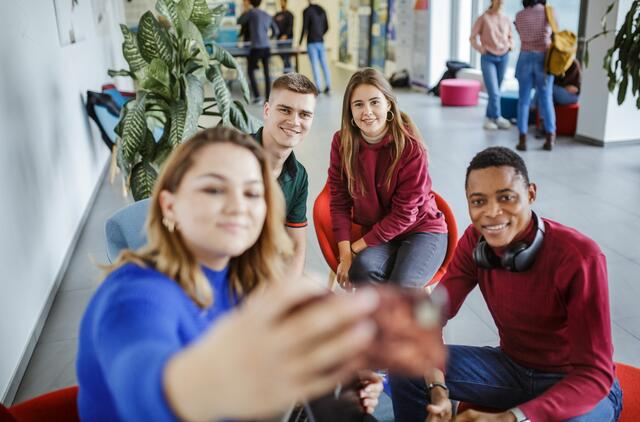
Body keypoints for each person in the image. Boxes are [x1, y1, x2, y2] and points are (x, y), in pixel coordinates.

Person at [76, 127, 385, 421]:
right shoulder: (133, 294)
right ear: (169, 206)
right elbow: (141, 383)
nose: (238, 206)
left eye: (252, 193)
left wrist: (340, 375)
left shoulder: (250, 277)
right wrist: (219, 378)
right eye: (214, 189)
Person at [390, 147, 623, 422]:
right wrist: (437, 387)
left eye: (506, 197)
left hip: (575, 383)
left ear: (531, 194)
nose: (492, 212)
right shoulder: (474, 242)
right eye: (479, 201)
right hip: (511, 369)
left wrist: (512, 417)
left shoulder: (580, 256)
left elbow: (595, 374)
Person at [328, 68, 448, 290]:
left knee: (400, 288)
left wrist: (354, 248)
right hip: (379, 233)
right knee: (361, 271)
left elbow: (404, 215)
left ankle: (391, 312)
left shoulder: (411, 148)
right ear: (350, 110)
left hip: (421, 230)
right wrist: (345, 255)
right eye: (358, 104)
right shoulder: (342, 143)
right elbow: (339, 202)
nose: (367, 112)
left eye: (375, 102)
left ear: (389, 104)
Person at [253, 73, 317, 277]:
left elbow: (296, 246)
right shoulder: (235, 156)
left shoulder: (299, 175)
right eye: (285, 110)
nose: (294, 121)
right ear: (267, 110)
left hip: (265, 268)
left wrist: (290, 289)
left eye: (304, 114)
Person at [514, 0, 556, 151]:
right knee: (546, 99)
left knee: (523, 100)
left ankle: (522, 139)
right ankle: (550, 138)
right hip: (543, 58)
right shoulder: (548, 11)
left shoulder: (519, 15)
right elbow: (554, 32)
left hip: (524, 56)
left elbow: (520, 33)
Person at [470, 0, 513, 131]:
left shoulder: (506, 18)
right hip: (488, 57)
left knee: (496, 90)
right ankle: (497, 117)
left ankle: (489, 118)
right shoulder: (483, 18)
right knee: (493, 91)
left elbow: (510, 36)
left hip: (504, 57)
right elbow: (472, 37)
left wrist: (510, 46)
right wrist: (481, 49)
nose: (501, 1)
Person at [237, 0, 279, 103]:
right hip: (266, 47)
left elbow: (239, 21)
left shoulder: (251, 13)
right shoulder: (266, 14)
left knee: (250, 71)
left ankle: (257, 97)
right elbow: (276, 31)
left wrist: (245, 11)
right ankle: (268, 98)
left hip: (256, 47)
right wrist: (269, 38)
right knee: (266, 72)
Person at [300, 0, 332, 94]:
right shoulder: (322, 10)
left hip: (311, 42)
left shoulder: (306, 10)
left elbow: (304, 27)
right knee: (324, 64)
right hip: (321, 41)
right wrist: (320, 34)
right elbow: (327, 27)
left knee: (315, 65)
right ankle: (328, 85)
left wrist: (299, 43)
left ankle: (318, 87)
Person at [274, 0, 294, 73]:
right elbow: (273, 26)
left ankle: (288, 75)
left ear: (286, 2)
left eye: (282, 1)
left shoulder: (290, 14)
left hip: (287, 41)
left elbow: (290, 27)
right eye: (280, 1)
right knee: (284, 59)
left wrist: (285, 35)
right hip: (279, 41)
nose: (281, 3)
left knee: (286, 58)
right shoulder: (277, 15)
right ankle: (288, 74)